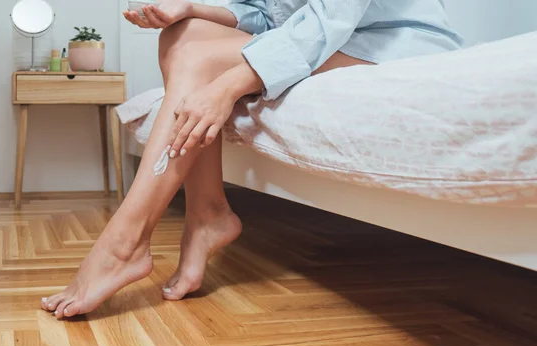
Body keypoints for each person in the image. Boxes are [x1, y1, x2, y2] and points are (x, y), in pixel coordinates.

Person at [41, 0, 462, 318]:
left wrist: (226, 87)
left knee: (198, 57)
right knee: (182, 34)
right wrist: (191, 8)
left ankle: (125, 244)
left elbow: (324, 21)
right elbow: (268, 13)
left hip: (393, 45)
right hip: (330, 35)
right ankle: (206, 213)